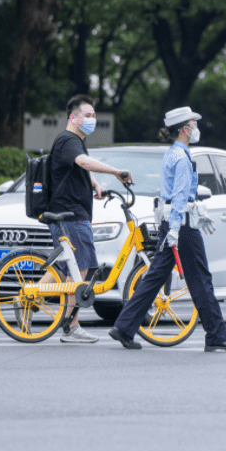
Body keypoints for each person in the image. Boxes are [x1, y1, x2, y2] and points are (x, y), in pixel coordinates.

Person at [109, 107, 226, 352]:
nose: (196, 127)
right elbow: (180, 195)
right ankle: (216, 335)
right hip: (182, 228)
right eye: (193, 123)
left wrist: (176, 224)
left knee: (155, 277)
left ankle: (124, 327)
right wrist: (177, 228)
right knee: (201, 279)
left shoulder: (172, 154)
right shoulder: (182, 158)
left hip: (172, 223)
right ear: (185, 129)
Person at [47, 94, 134, 343]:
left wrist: (95, 184)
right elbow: (83, 162)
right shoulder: (68, 140)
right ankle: (71, 326)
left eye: (94, 115)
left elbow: (77, 168)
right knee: (81, 269)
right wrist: (115, 172)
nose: (92, 119)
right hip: (71, 215)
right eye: (87, 115)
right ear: (73, 117)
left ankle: (30, 298)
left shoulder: (74, 141)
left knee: (68, 270)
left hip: (71, 214)